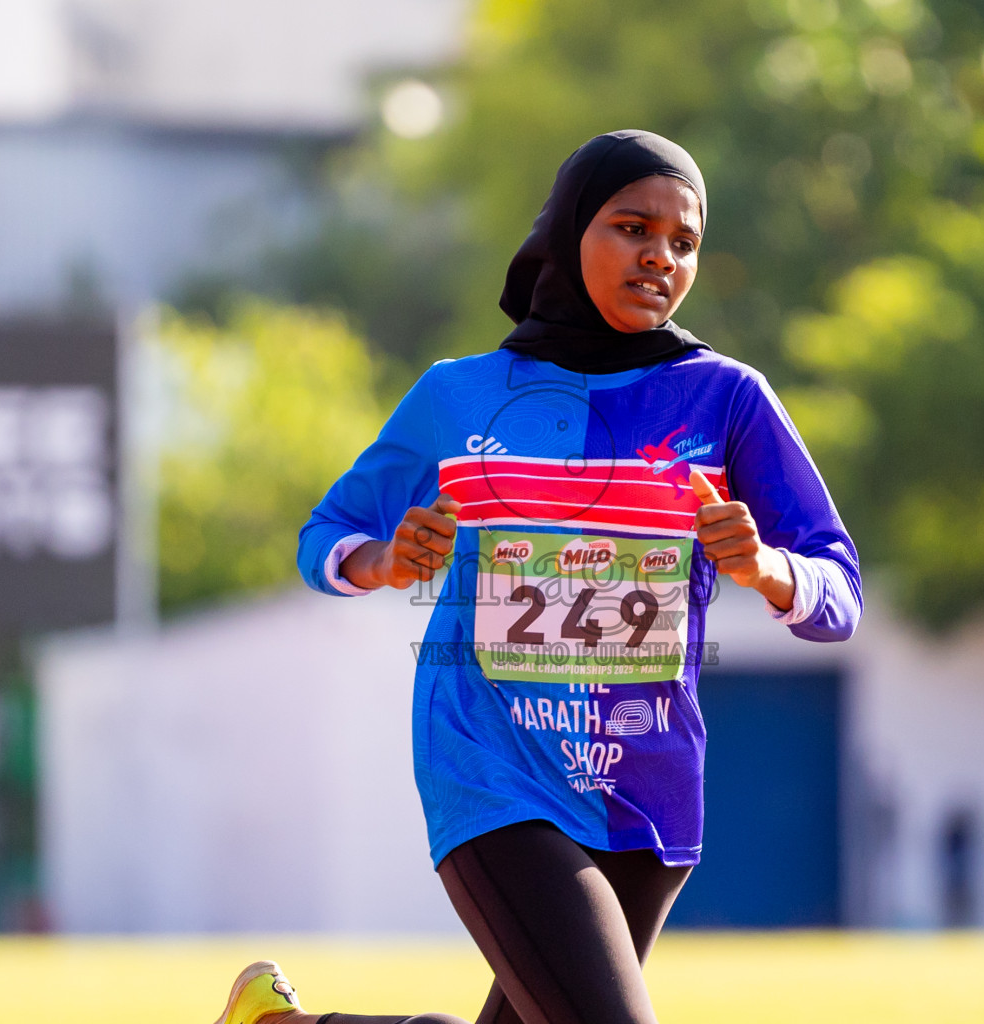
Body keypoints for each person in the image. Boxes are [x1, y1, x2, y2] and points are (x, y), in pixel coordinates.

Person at [212, 130, 861, 1024]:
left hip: (645, 793)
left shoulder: (729, 398)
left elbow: (838, 593)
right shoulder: (459, 395)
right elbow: (328, 535)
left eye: (684, 241)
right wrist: (385, 559)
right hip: (494, 774)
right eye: (633, 227)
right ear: (566, 232)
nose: (660, 257)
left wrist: (768, 568)